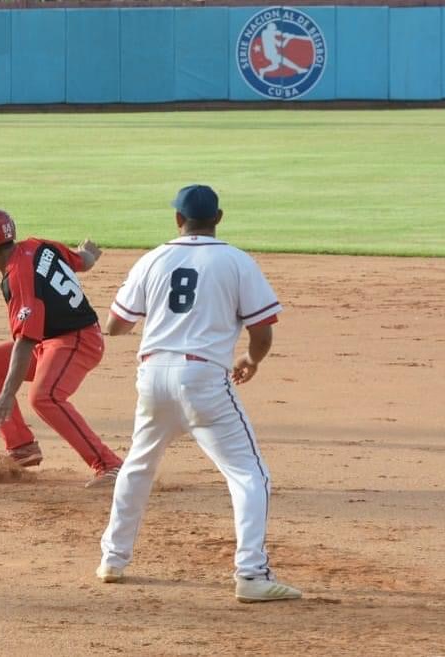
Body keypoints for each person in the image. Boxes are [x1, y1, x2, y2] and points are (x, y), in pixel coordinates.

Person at [96, 184, 302, 603]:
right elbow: (262, 330)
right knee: (250, 474)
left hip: (152, 376)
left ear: (177, 219)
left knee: (137, 466)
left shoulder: (152, 259)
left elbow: (117, 325)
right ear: (219, 218)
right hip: (204, 380)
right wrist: (251, 359)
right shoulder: (236, 260)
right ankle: (251, 574)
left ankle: (113, 561)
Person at [0, 208, 124, 488]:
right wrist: (87, 253)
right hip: (54, 342)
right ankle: (21, 447)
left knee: (44, 396)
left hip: (77, 340)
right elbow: (83, 262)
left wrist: (7, 393)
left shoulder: (18, 277)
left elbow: (25, 341)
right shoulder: (38, 246)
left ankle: (110, 465)